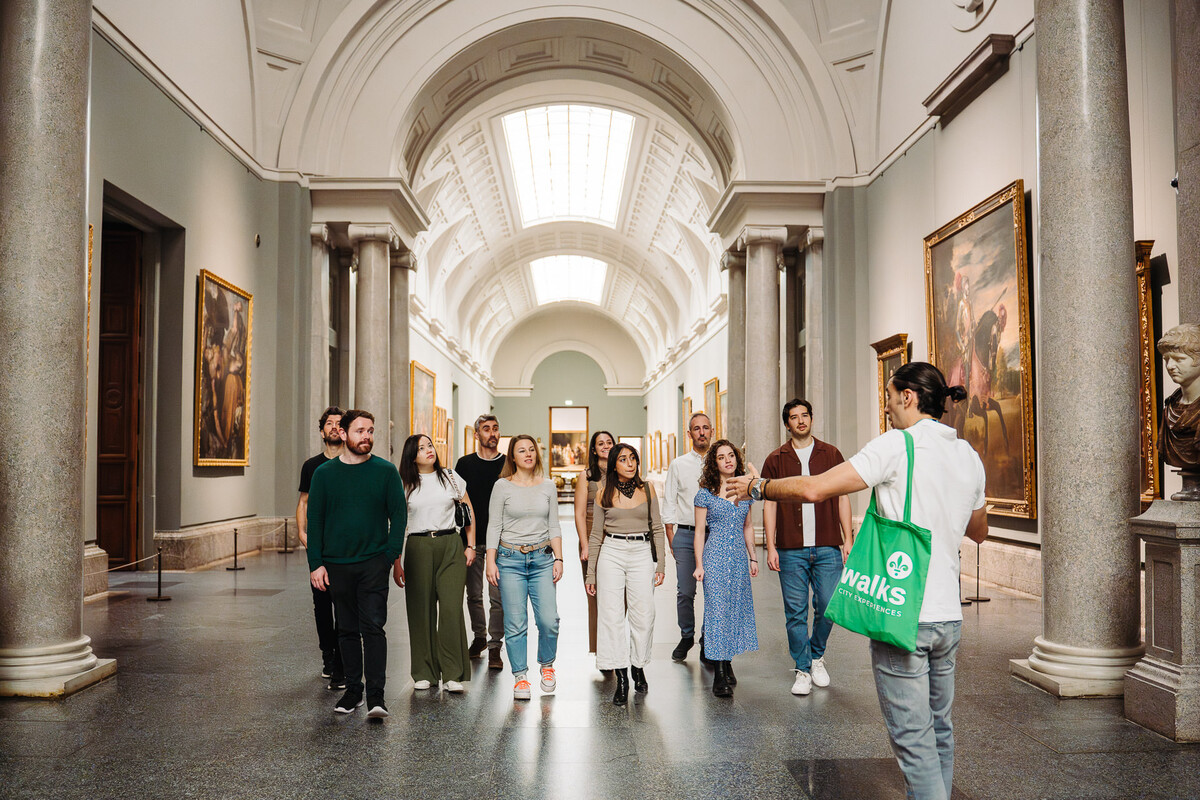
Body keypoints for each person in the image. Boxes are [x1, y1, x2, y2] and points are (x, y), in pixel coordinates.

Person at [727, 362, 988, 800]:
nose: (886, 407)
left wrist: (760, 487)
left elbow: (816, 489)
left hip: (902, 612)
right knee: (939, 728)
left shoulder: (895, 445)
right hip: (948, 619)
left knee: (914, 743)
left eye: (888, 396)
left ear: (908, 396)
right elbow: (979, 531)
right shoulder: (968, 454)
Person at [307, 409, 407, 719]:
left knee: (373, 628)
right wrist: (316, 564)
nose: (367, 436)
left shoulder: (386, 471)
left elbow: (399, 514)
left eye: (371, 431)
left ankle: (377, 696)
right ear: (344, 434)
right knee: (346, 630)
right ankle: (353, 691)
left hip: (373, 563)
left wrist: (389, 555)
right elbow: (315, 520)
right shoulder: (324, 474)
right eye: (360, 430)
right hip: (336, 565)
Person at [761, 399, 853, 696]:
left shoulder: (831, 454)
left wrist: (847, 539)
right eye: (794, 417)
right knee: (795, 612)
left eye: (805, 415)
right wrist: (771, 545)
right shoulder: (776, 459)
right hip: (791, 548)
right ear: (786, 424)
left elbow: (843, 496)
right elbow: (770, 503)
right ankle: (802, 668)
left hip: (827, 544)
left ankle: (816, 655)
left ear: (811, 419)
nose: (800, 421)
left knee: (828, 605)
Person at [585, 443, 666, 705]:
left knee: (644, 614)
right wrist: (591, 574)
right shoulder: (602, 491)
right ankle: (621, 677)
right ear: (614, 465)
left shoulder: (648, 489)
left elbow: (657, 528)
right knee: (611, 616)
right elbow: (596, 535)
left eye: (633, 458)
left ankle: (638, 666)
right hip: (612, 551)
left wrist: (661, 564)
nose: (630, 464)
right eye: (623, 459)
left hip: (641, 551)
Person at [485, 435, 564, 701]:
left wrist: (559, 559)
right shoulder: (502, 486)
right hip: (510, 560)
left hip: (542, 559)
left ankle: (547, 665)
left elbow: (554, 525)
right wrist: (490, 561)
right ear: (513, 457)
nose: (528, 454)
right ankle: (520, 677)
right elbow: (493, 525)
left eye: (531, 449)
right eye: (522, 450)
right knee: (516, 622)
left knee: (549, 620)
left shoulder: (548, 486)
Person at [397, 434, 476, 694]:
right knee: (421, 610)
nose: (428, 450)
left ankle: (453, 673)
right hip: (418, 546)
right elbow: (399, 523)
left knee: (452, 609)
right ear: (412, 456)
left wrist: (470, 545)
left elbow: (468, 510)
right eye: (421, 448)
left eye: (429, 445)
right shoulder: (405, 483)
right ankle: (424, 672)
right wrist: (397, 560)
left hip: (450, 544)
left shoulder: (451, 476)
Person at [692, 440, 757, 697]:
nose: (728, 460)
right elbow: (699, 531)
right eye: (721, 457)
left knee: (733, 610)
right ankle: (719, 673)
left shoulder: (745, 491)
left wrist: (753, 557)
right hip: (715, 557)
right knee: (717, 612)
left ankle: (727, 661)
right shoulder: (705, 493)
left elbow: (748, 526)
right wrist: (699, 565)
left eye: (731, 455)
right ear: (714, 463)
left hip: (739, 559)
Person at [296, 406, 345, 690]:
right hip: (319, 544)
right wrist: (303, 533)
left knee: (345, 602)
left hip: (345, 545)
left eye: (340, 423)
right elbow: (304, 502)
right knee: (322, 602)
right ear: (322, 430)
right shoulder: (311, 465)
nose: (335, 427)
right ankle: (328, 654)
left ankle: (342, 654)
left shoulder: (353, 461)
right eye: (330, 423)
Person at [455, 414, 507, 670]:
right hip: (472, 540)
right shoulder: (464, 464)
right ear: (477, 435)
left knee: (498, 597)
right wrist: (467, 541)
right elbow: (458, 502)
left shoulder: (509, 464)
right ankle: (480, 638)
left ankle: (496, 646)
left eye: (495, 429)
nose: (492, 433)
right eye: (486, 429)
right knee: (473, 594)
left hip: (502, 541)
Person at [662, 412, 713, 661]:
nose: (701, 432)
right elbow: (669, 501)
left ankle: (707, 639)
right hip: (685, 533)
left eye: (705, 428)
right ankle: (686, 636)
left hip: (715, 536)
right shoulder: (679, 464)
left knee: (713, 591)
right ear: (689, 433)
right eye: (696, 428)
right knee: (685, 591)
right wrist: (671, 536)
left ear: (711, 431)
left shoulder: (721, 461)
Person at [573, 430, 615, 663]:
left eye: (609, 442)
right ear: (593, 449)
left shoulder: (622, 472)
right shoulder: (586, 476)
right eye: (601, 443)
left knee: (617, 594)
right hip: (591, 535)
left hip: (617, 535)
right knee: (596, 594)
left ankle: (614, 644)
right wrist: (584, 544)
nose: (606, 446)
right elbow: (579, 514)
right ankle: (600, 650)